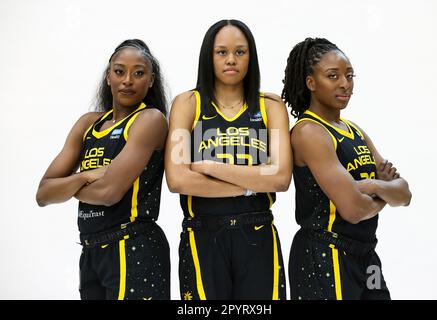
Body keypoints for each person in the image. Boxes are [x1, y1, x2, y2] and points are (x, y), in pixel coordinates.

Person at [165, 19, 292, 300]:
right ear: (208, 56)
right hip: (202, 235)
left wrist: (210, 168)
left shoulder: (270, 106)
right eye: (221, 52)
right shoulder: (187, 104)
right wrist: (253, 181)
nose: (231, 59)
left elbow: (281, 178)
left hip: (257, 232)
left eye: (240, 52)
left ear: (251, 56)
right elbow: (177, 179)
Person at [35, 39, 170, 300]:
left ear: (151, 80)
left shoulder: (150, 120)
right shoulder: (88, 123)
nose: (128, 80)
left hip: (133, 246)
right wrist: (85, 176)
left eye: (139, 73)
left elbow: (110, 192)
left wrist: (69, 186)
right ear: (108, 76)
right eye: (119, 71)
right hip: (91, 251)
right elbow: (43, 193)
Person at [282, 37, 412, 300]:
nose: (345, 84)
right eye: (333, 76)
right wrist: (383, 193)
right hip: (324, 254)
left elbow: (405, 194)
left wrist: (373, 186)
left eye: (349, 76)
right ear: (311, 82)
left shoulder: (354, 131)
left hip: (366, 254)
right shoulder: (309, 132)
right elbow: (352, 210)